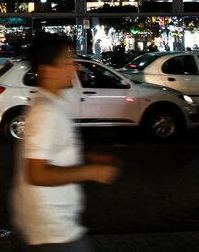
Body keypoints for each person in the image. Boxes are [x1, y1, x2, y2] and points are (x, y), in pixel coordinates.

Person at [10, 33, 121, 252]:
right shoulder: (47, 111)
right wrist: (90, 171)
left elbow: (52, 152)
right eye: (67, 62)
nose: (75, 68)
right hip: (51, 229)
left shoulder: (54, 102)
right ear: (48, 70)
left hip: (52, 225)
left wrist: (86, 157)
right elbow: (37, 173)